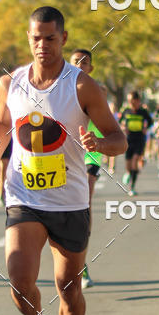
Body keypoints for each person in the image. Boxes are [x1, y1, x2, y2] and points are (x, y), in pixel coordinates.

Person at [0, 7, 126, 315]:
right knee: (19, 280)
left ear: (63, 39)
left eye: (50, 38)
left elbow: (119, 139)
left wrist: (101, 144)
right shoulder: (10, 83)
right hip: (23, 195)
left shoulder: (82, 86)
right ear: (28, 39)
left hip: (70, 202)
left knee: (68, 288)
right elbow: (1, 122)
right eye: (36, 38)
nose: (42, 45)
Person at [70, 48, 104, 290]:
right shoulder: (58, 90)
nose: (80, 65)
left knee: (84, 201)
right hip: (64, 154)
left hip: (90, 153)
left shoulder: (96, 91)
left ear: (90, 68)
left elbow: (109, 126)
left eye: (85, 62)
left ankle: (81, 262)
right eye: (76, 62)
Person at [120, 91, 152, 196]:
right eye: (129, 101)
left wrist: (145, 127)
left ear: (138, 101)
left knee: (134, 161)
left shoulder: (143, 112)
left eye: (132, 101)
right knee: (128, 165)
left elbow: (150, 122)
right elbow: (120, 122)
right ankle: (128, 173)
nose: (131, 103)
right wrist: (123, 127)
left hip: (139, 139)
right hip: (128, 140)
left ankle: (132, 187)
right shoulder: (126, 111)